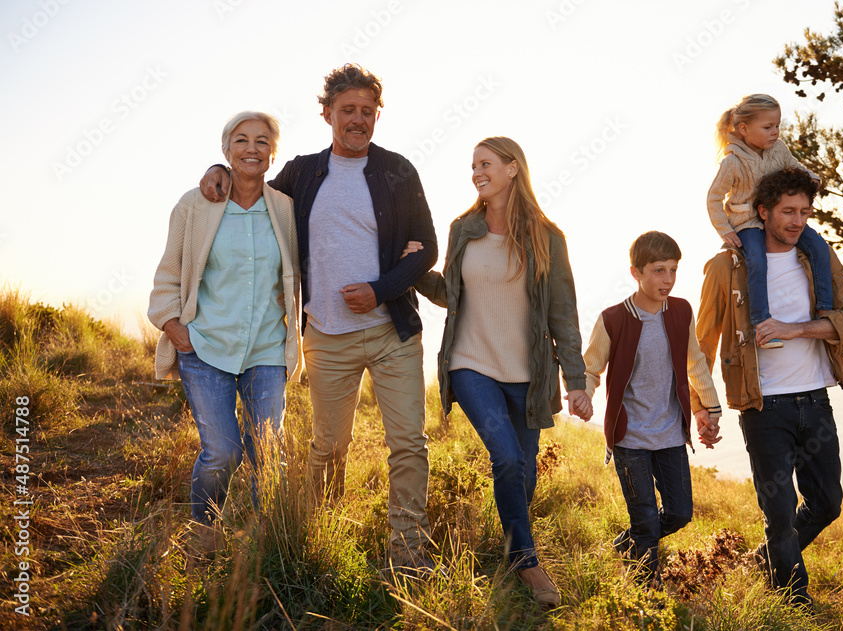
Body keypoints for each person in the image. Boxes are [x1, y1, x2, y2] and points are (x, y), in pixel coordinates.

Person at [199, 64, 438, 571]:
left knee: (408, 446)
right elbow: (251, 186)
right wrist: (217, 172)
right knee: (328, 446)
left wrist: (380, 289)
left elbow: (427, 251)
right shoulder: (303, 173)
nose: (357, 119)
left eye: (366, 111)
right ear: (327, 112)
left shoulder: (398, 171)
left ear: (377, 115)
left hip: (392, 333)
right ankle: (322, 531)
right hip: (326, 336)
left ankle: (408, 549)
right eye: (347, 110)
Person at [415, 136, 591, 607]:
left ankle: (512, 546)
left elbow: (563, 315)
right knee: (508, 459)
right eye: (473, 164)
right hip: (471, 363)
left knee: (524, 473)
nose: (476, 171)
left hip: (528, 375)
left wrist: (576, 382)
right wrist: (412, 269)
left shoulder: (547, 237)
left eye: (485, 163)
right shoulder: (462, 229)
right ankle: (529, 564)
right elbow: (452, 292)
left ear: (513, 169)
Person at [696, 168, 843, 608]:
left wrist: (797, 330)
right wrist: (703, 407)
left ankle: (766, 560)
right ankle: (793, 599)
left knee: (828, 502)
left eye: (805, 212)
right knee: (778, 514)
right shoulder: (725, 267)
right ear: (762, 211)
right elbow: (702, 342)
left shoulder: (817, 258)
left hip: (816, 398)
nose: (797, 221)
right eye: (788, 211)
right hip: (762, 406)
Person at [148, 111, 302, 555]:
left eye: (261, 141)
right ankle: (205, 536)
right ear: (225, 150)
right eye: (240, 140)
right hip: (206, 347)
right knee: (223, 453)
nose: (251, 148)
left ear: (273, 154)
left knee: (266, 454)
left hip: (267, 349)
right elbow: (169, 273)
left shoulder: (286, 209)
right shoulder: (194, 206)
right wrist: (174, 327)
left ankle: (263, 545)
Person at [581, 231, 722, 583]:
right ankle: (648, 591)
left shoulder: (681, 311)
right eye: (659, 270)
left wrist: (711, 410)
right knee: (644, 516)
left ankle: (630, 544)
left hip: (671, 434)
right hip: (630, 438)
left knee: (680, 513)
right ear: (636, 273)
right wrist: (583, 394)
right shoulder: (613, 319)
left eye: (673, 270)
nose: (668, 280)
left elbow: (695, 364)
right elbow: (590, 368)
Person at [707, 94, 833, 349]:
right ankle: (762, 323)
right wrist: (725, 230)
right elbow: (714, 199)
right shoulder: (732, 162)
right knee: (756, 258)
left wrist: (811, 177)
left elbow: (794, 166)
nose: (775, 132)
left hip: (777, 217)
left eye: (777, 125)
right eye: (768, 127)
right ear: (744, 129)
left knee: (819, 248)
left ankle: (825, 310)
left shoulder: (778, 149)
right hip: (748, 221)